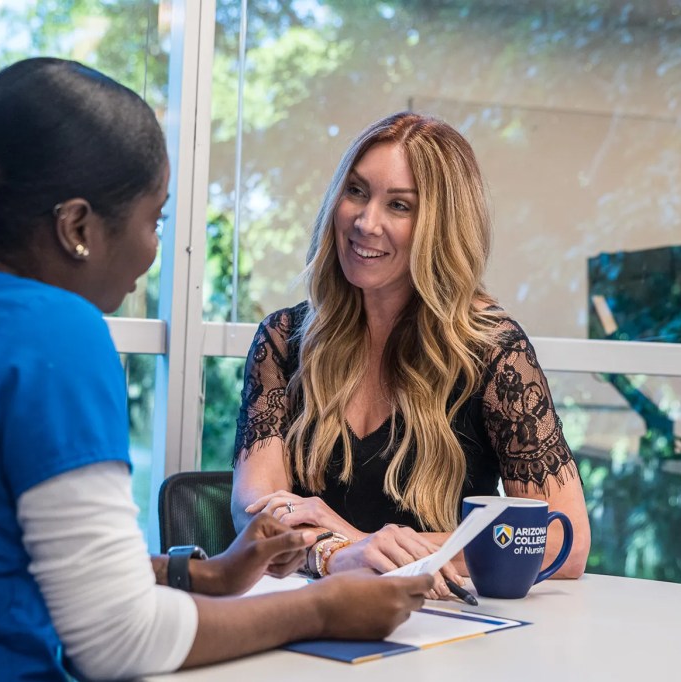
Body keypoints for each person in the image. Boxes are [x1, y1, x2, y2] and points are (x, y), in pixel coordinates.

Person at [0, 59, 433, 681]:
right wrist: (322, 609)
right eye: (154, 219)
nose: (155, 249)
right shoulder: (54, 330)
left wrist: (204, 575)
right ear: (77, 227)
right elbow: (117, 641)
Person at [232, 112, 591, 595]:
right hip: (307, 617)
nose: (366, 221)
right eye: (356, 191)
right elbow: (256, 510)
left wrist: (361, 542)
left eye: (399, 205)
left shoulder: (493, 353)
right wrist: (337, 554)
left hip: (441, 628)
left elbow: (562, 541)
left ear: (441, 228)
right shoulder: (282, 339)